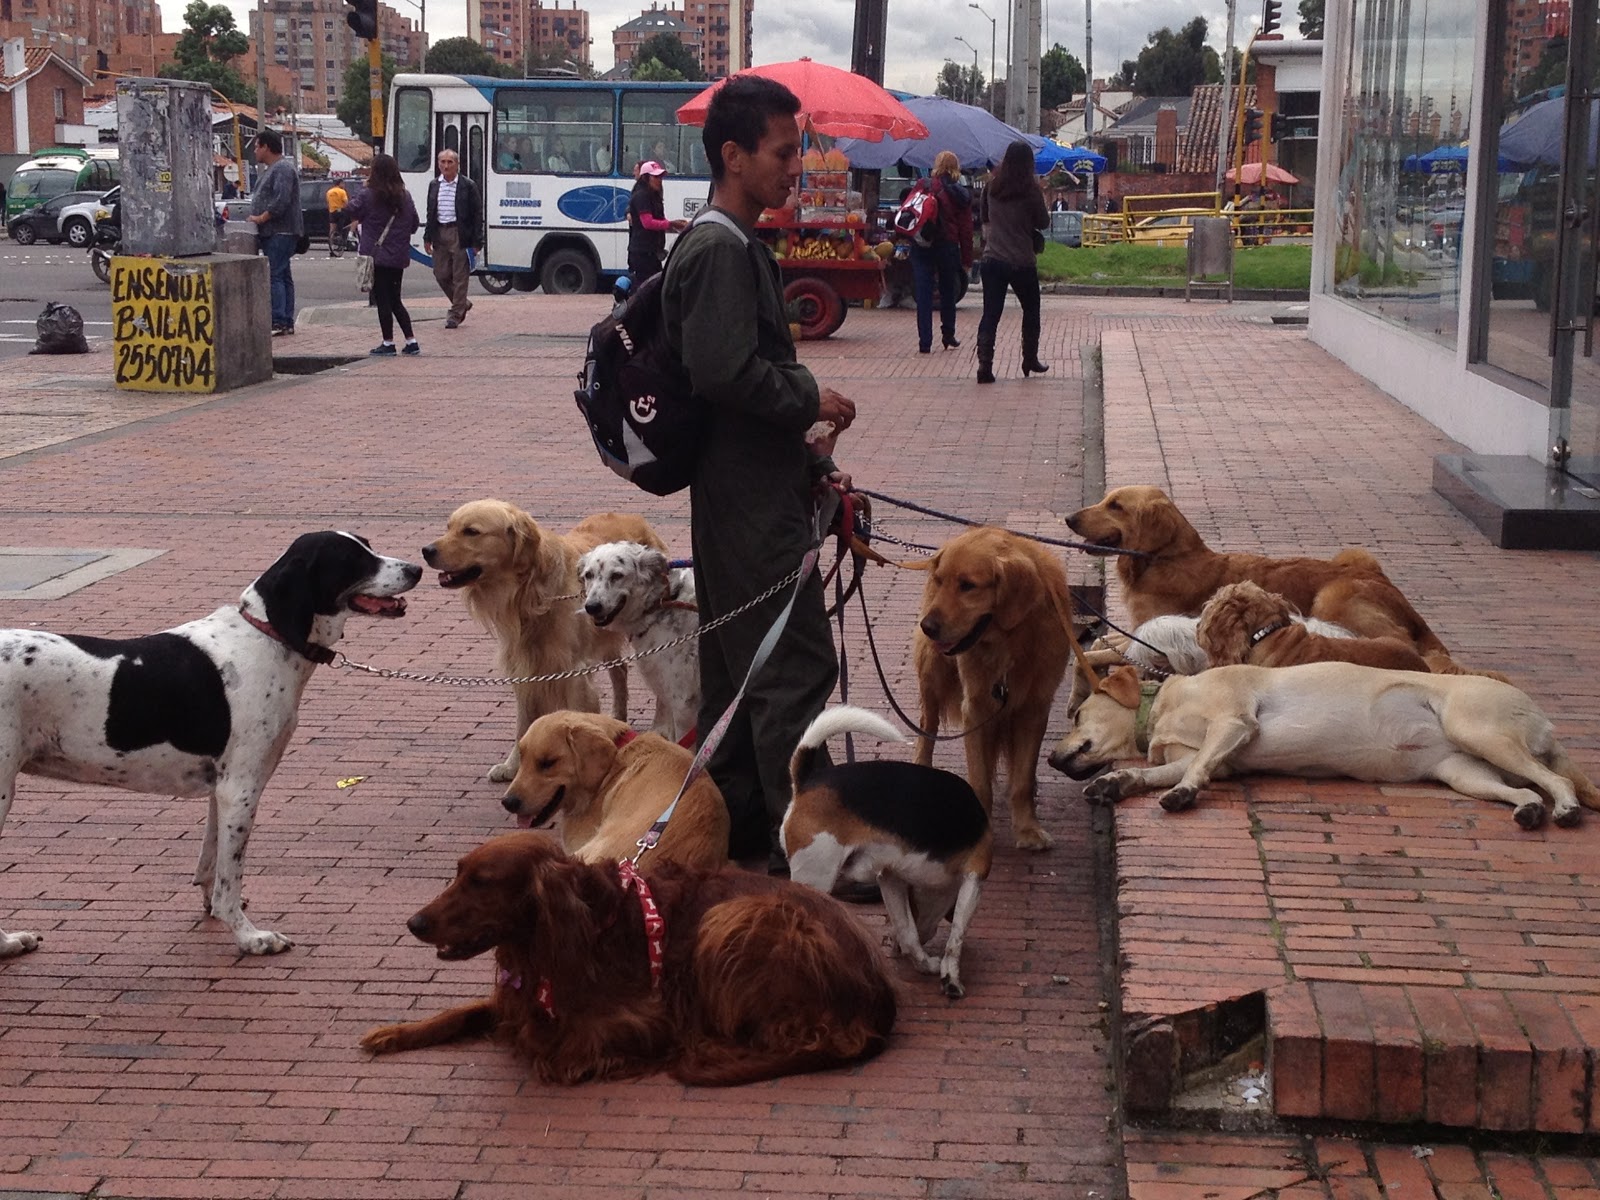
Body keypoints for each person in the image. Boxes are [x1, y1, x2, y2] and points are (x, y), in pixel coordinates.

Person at [661, 74, 857, 874]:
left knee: (742, 665)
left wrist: (807, 455)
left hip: (754, 483)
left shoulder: (732, 243)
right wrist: (811, 394)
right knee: (795, 665)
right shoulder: (717, 247)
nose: (795, 167)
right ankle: (813, 848)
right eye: (783, 152)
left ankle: (737, 827)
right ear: (733, 155)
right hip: (745, 497)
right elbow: (722, 372)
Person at [975, 139, 1050, 384]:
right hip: (1022, 260)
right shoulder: (1031, 190)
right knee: (1031, 311)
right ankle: (1030, 359)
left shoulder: (991, 188)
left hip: (993, 259)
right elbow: (1043, 222)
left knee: (990, 314)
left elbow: (984, 218)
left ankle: (985, 365)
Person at [345, 154, 421, 357]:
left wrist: (361, 188)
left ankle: (388, 342)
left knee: (383, 300)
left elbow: (350, 209)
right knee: (396, 299)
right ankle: (411, 340)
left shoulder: (368, 195)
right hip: (398, 256)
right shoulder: (405, 196)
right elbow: (414, 224)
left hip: (376, 256)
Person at [909, 149, 973, 354]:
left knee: (924, 293)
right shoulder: (959, 194)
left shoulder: (923, 185)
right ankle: (948, 334)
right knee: (948, 291)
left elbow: (909, 210)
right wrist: (967, 259)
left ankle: (924, 342)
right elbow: (966, 229)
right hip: (947, 245)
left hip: (922, 244)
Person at [247, 128, 303, 337]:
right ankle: (285, 320)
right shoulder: (272, 169)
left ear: (266, 147)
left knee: (276, 275)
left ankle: (279, 319)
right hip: (275, 232)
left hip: (281, 231)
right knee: (283, 274)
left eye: (256, 146)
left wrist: (262, 217)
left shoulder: (282, 169)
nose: (255, 151)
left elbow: (281, 200)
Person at [423, 149, 482, 330]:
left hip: (459, 233)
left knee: (460, 276)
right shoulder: (434, 185)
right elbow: (430, 212)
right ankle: (462, 302)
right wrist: (428, 237)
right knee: (440, 274)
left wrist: (477, 242)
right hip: (440, 232)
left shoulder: (468, 185)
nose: (446, 166)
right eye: (443, 162)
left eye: (450, 162)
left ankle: (455, 314)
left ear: (457, 164)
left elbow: (477, 214)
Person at [626, 160, 688, 284]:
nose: (659, 180)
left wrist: (677, 227)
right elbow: (647, 223)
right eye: (656, 177)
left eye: (660, 177)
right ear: (646, 178)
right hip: (643, 253)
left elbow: (659, 220)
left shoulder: (654, 196)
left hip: (652, 252)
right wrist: (671, 224)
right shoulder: (641, 196)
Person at [325, 179, 349, 256]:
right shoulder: (342, 191)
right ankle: (340, 241)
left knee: (332, 229)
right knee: (341, 228)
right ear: (340, 183)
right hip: (340, 211)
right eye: (343, 183)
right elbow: (346, 202)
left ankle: (331, 246)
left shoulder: (329, 192)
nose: (344, 185)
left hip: (332, 212)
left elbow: (328, 202)